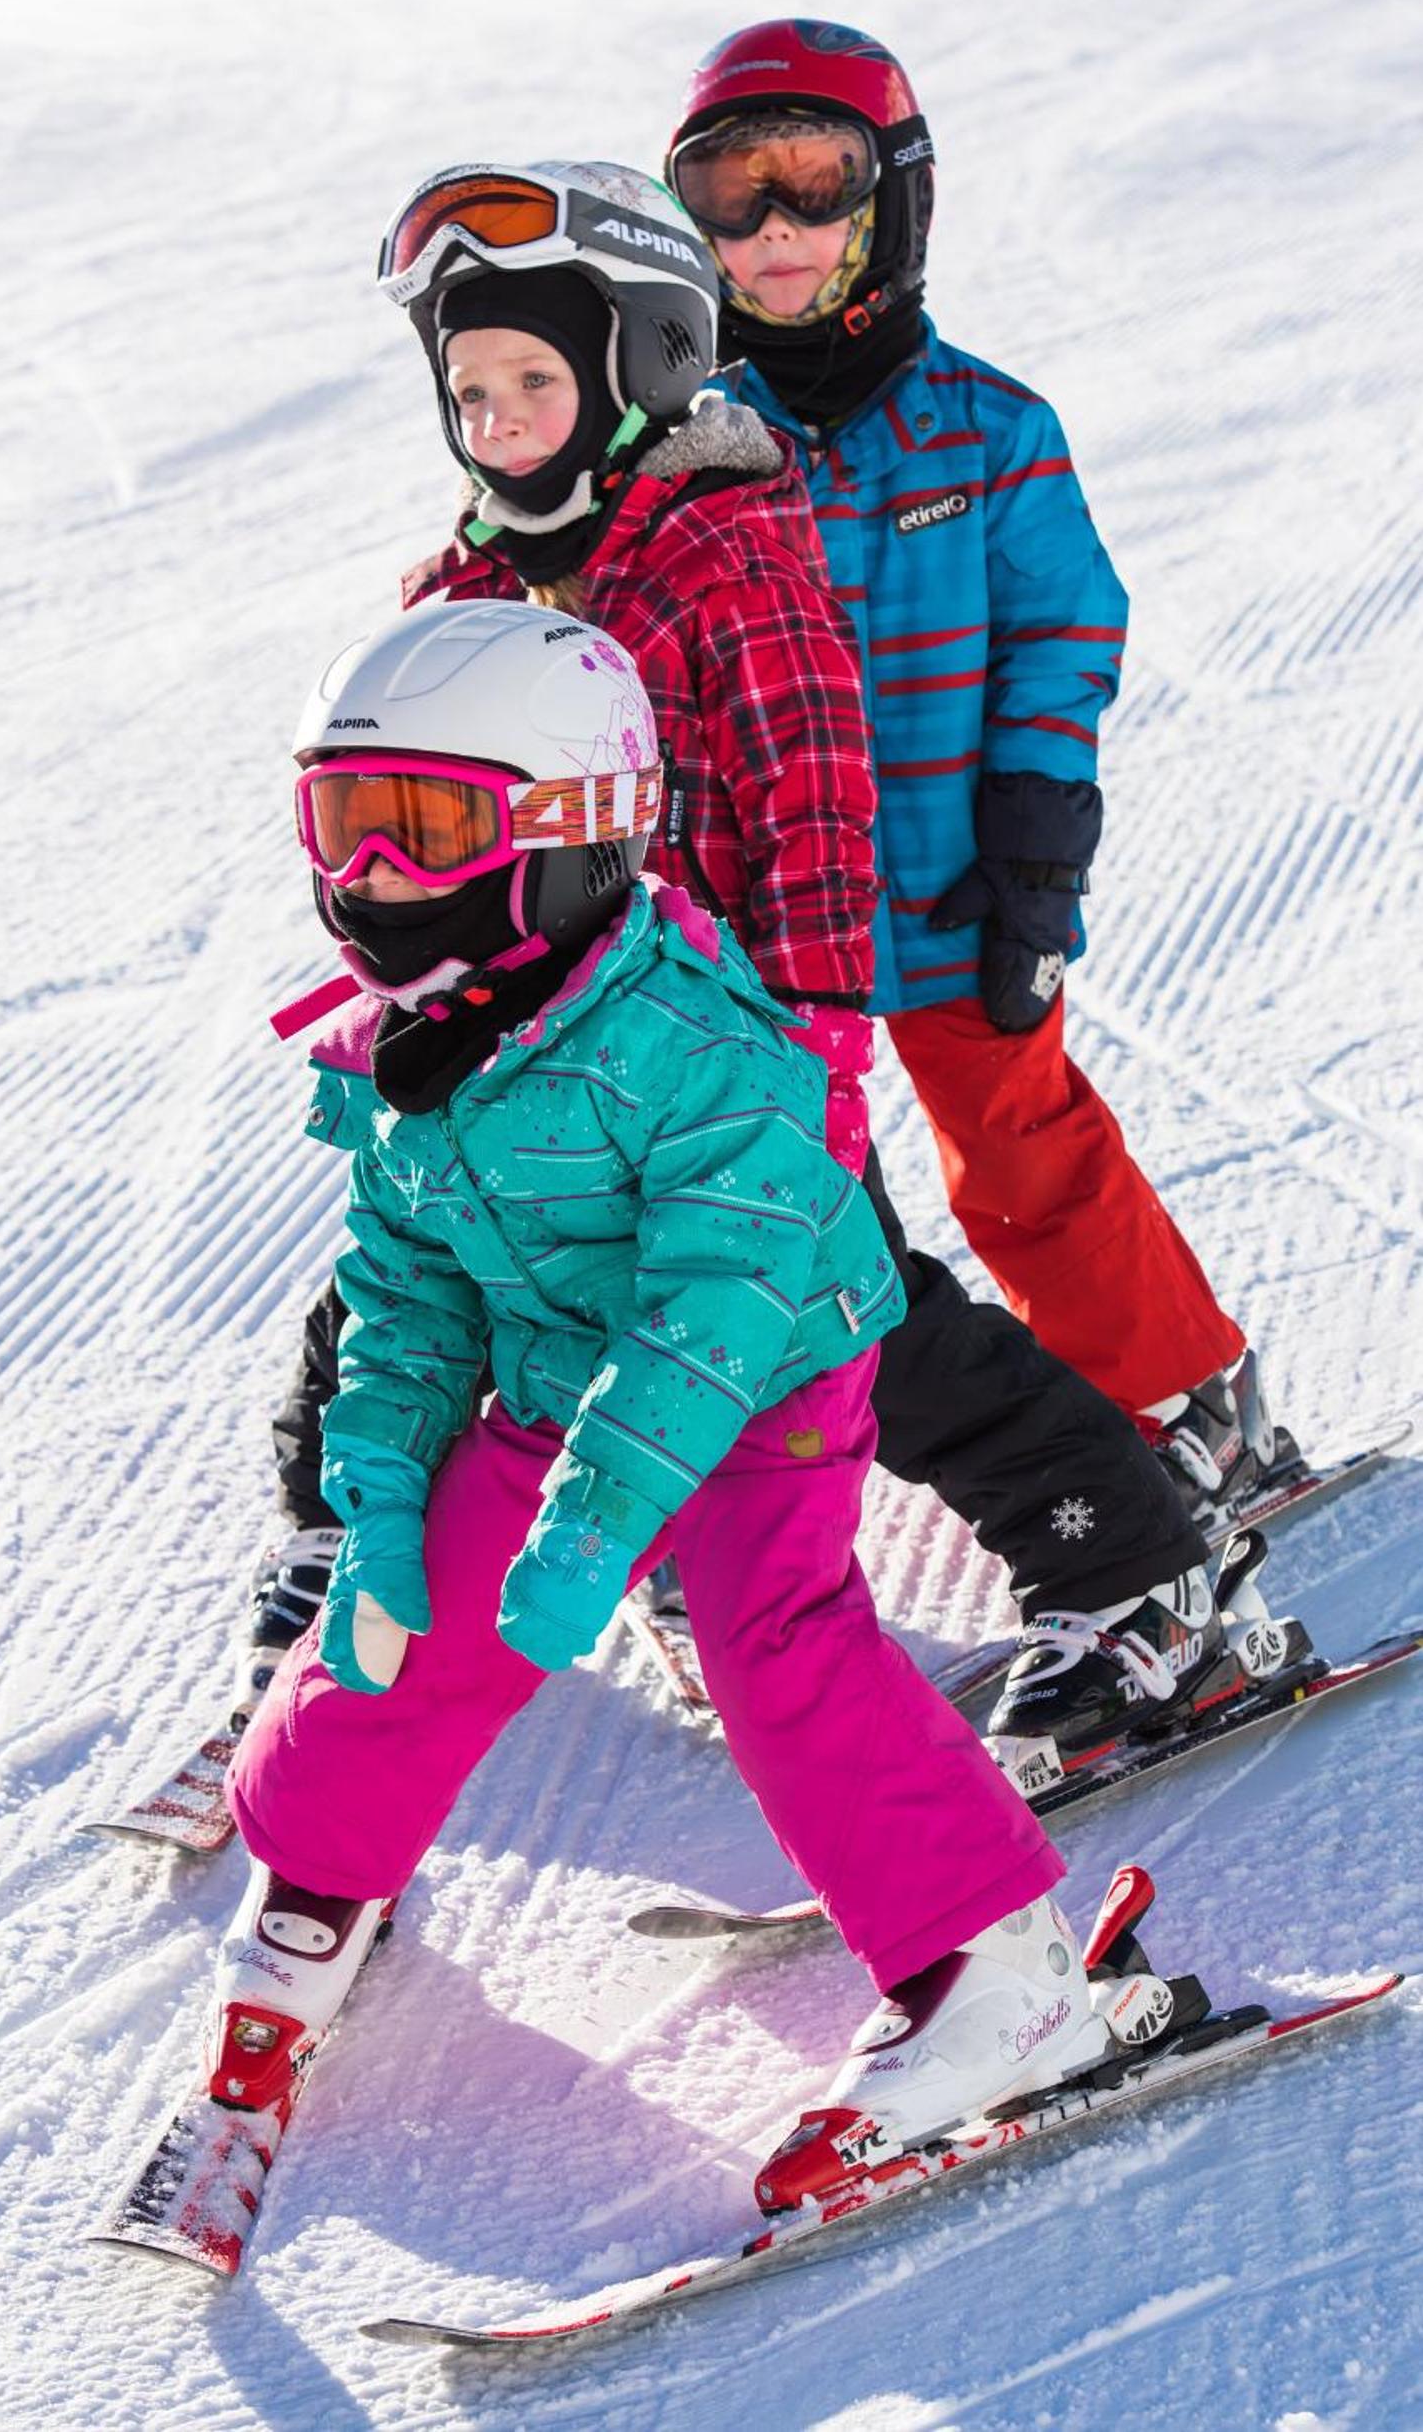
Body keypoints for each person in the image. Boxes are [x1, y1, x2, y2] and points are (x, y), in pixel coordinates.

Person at [247, 159, 1247, 1789]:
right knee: (419, 1278)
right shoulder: (464, 586)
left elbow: (813, 801)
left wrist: (824, 1040)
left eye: (532, 380)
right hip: (526, 1040)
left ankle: (1136, 1568)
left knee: (846, 1319)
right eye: (469, 389)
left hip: (719, 1048)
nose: (496, 419)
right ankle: (339, 1542)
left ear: (643, 364)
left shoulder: (720, 556)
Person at [215, 596, 1114, 2207]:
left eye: (428, 828)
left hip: (766, 1371)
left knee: (776, 1642)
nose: (372, 878)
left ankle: (1005, 1977)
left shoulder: (701, 1051)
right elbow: (406, 1296)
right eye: (344, 824)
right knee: (412, 1620)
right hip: (562, 1371)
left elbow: (715, 1312)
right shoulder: (405, 1050)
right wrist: (380, 1505)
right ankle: (315, 1879)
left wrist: (594, 1528)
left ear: (577, 829)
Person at [660, 21, 1299, 1565]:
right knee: (789, 1204)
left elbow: (1066, 637)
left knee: (1022, 1152)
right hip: (770, 914)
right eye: (732, 196)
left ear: (896, 199)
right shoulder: (688, 451)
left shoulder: (990, 429)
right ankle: (747, 1495)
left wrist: (1035, 855)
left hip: (954, 882)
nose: (774, 230)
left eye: (815, 184)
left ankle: (1187, 1403)